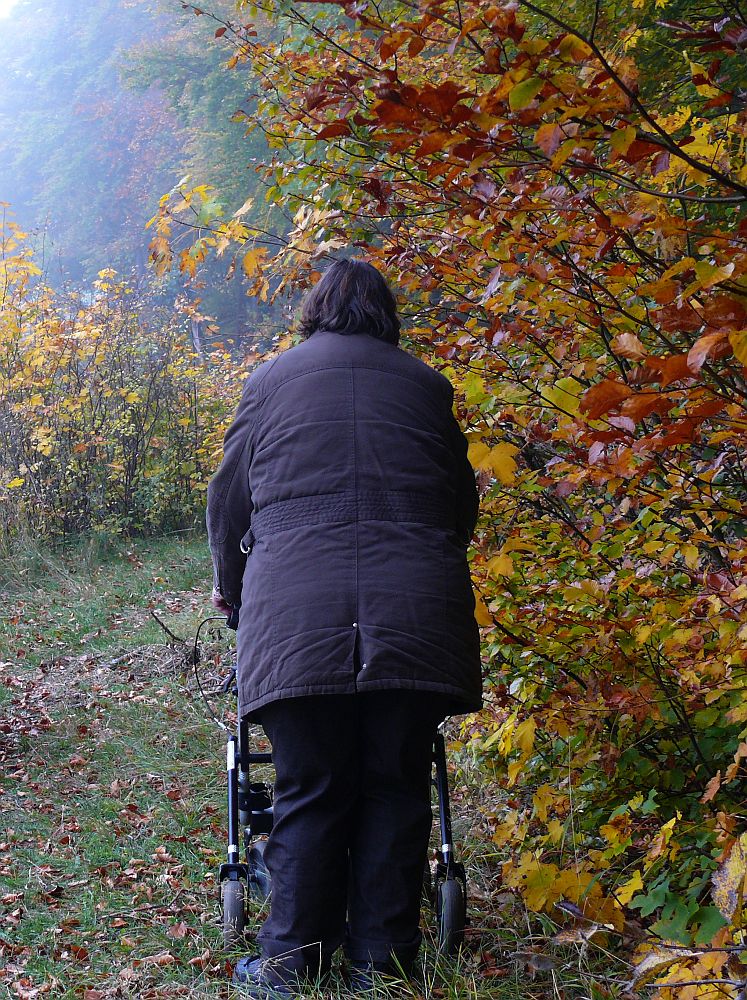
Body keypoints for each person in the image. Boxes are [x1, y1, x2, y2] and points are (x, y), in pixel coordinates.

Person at [207, 257, 481, 998]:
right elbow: (460, 504)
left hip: (293, 609)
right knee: (395, 783)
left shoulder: (270, 382)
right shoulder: (426, 385)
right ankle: (382, 963)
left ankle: (291, 962)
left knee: (311, 784)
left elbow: (229, 501)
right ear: (387, 315)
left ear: (313, 311)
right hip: (418, 606)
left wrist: (233, 597)